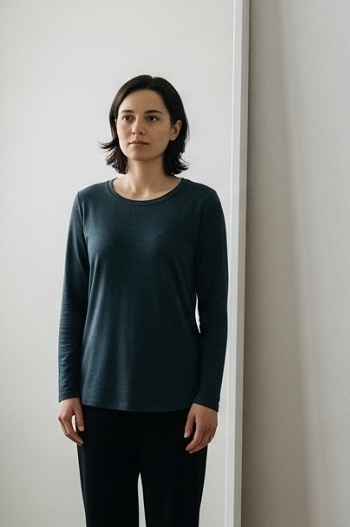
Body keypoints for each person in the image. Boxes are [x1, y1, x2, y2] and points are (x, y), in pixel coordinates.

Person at [56, 75, 227, 526]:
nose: (137, 128)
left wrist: (208, 397)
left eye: (152, 117)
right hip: (98, 401)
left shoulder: (200, 205)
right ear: (115, 126)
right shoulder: (88, 204)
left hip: (176, 406)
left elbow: (214, 311)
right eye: (126, 117)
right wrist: (67, 389)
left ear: (174, 129)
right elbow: (74, 304)